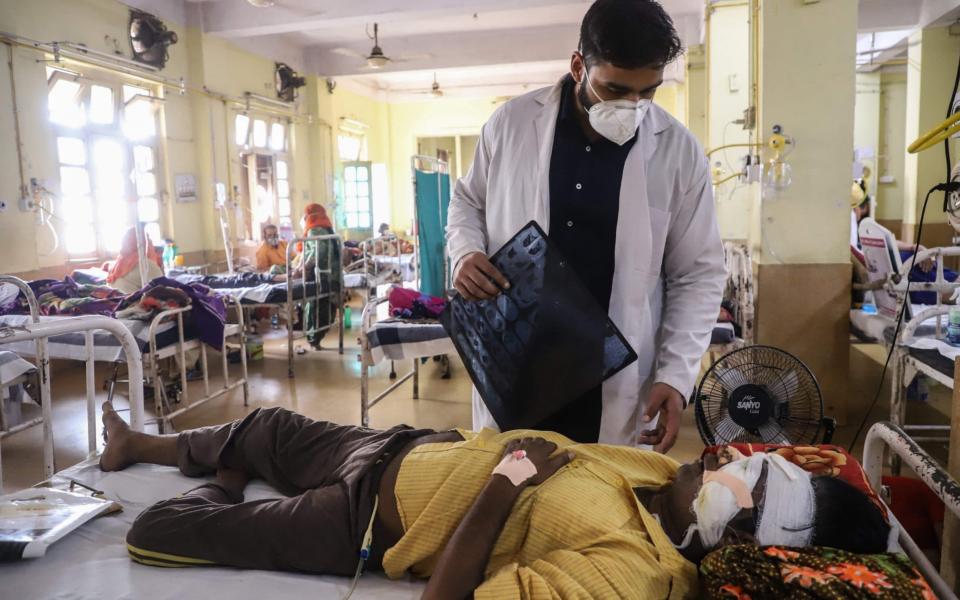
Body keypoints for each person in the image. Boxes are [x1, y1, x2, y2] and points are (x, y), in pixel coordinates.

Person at [100, 403, 890, 598]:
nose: (720, 457)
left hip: (368, 523)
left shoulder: (630, 573)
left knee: (161, 527)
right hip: (398, 447)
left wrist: (505, 486)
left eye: (742, 477)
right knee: (267, 421)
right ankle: (139, 446)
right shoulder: (657, 476)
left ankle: (224, 479)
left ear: (740, 526)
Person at [446, 0, 725, 450]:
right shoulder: (512, 123)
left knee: (598, 501)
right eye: (614, 89)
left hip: (610, 375)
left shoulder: (678, 152)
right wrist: (465, 251)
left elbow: (698, 273)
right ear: (578, 66)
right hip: (519, 357)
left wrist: (676, 375)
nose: (631, 106)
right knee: (506, 486)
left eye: (647, 92)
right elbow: (468, 200)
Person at [850, 178, 955, 304]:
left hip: (887, 269)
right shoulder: (851, 232)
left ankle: (953, 289)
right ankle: (952, 292)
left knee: (913, 258)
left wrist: (912, 246)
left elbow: (886, 241)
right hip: (886, 273)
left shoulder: (858, 231)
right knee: (911, 261)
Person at [293, 203, 341, 348]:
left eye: (305, 215)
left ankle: (314, 338)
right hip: (332, 276)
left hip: (320, 277)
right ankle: (317, 338)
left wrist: (303, 268)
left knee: (315, 307)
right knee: (326, 307)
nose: (304, 218)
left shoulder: (315, 230)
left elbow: (316, 252)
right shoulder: (328, 229)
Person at [105, 227, 164, 295]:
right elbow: (162, 292)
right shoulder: (147, 265)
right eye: (148, 240)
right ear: (145, 243)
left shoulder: (117, 263)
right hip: (130, 303)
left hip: (112, 300)